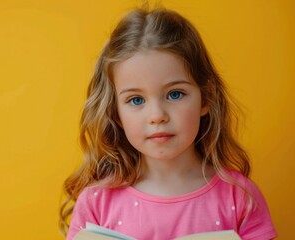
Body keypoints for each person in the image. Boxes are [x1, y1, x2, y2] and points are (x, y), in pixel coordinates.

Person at [60, 7, 277, 240]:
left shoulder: (240, 197)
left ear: (206, 98)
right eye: (136, 100)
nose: (157, 115)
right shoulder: (97, 202)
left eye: (175, 94)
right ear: (116, 113)